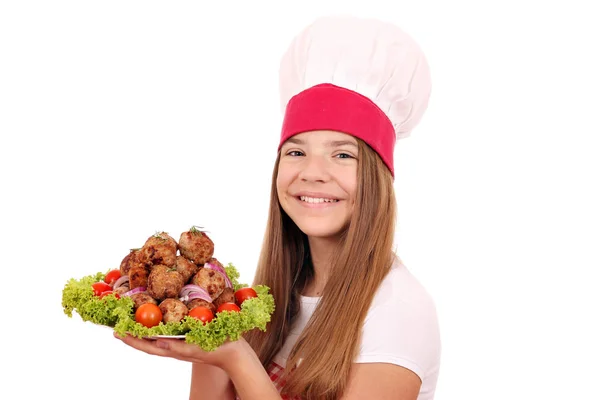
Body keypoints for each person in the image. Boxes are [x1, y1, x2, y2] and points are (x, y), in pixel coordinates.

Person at [115, 14, 441, 400]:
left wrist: (236, 358)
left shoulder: (398, 312)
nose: (313, 172)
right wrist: (204, 326)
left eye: (342, 154)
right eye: (297, 151)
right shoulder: (273, 291)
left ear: (378, 178)